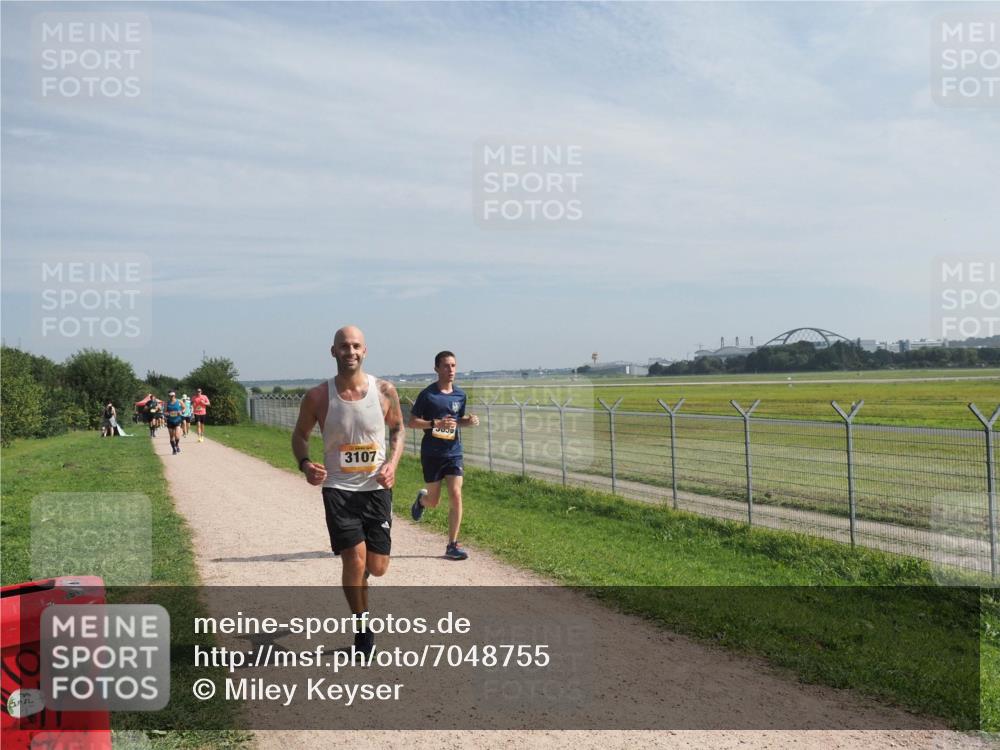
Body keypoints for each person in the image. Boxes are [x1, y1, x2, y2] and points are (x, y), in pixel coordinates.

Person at [292, 325, 405, 660]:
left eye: (356, 346)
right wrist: (306, 463)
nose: (350, 351)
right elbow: (299, 436)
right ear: (333, 352)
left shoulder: (385, 390)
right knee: (354, 561)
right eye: (344, 346)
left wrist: (393, 464)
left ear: (365, 351)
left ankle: (360, 579)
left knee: (378, 566)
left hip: (376, 489)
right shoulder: (317, 397)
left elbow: (398, 428)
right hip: (338, 489)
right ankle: (362, 626)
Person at [407, 351, 479, 560]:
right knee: (434, 501)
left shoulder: (460, 395)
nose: (451, 370)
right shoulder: (428, 395)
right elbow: (412, 422)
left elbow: (458, 420)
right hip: (432, 453)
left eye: (454, 366)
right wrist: (434, 424)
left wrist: (469, 421)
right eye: (446, 366)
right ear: (437, 368)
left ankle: (452, 545)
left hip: (453, 452)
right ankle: (422, 501)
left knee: (456, 494)